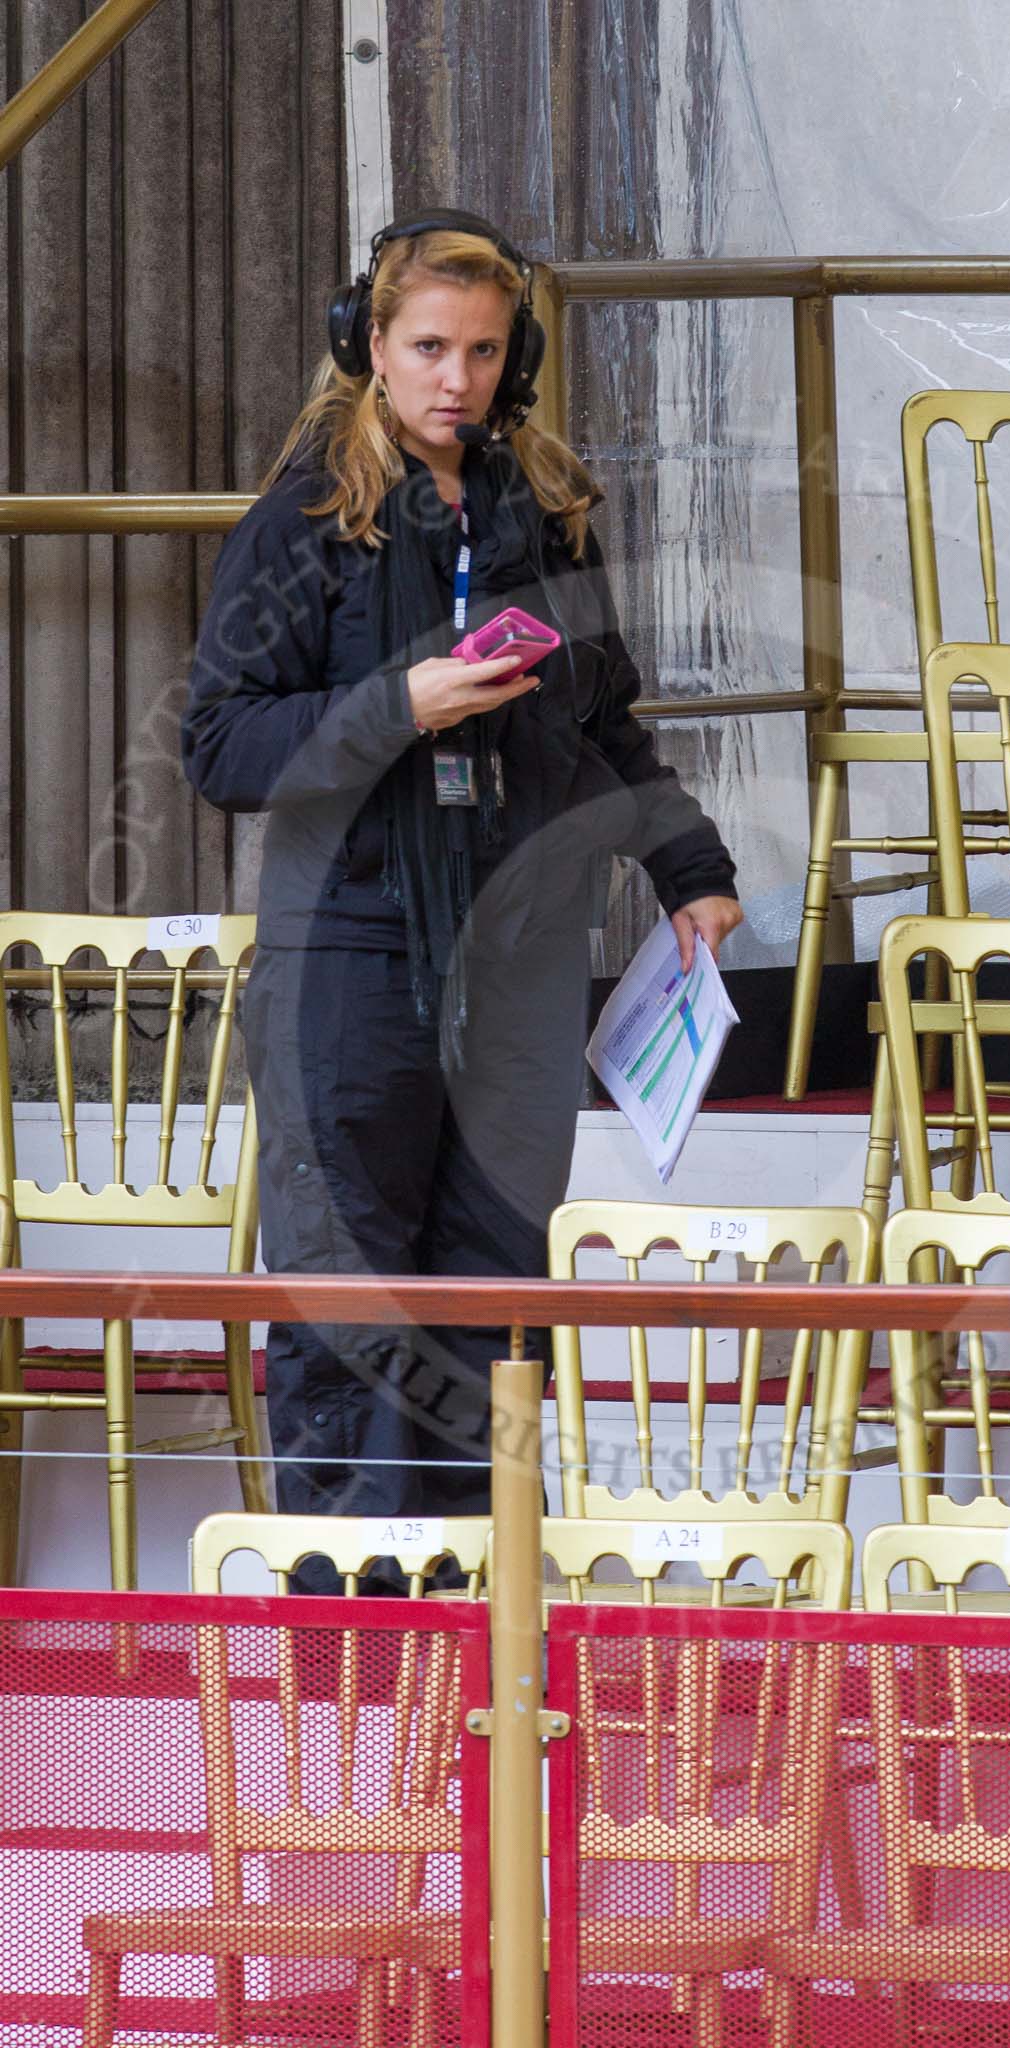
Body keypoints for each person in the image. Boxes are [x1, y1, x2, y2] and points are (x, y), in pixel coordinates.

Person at [182, 210, 742, 1560]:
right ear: (368, 347)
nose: (457, 378)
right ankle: (359, 1658)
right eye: (429, 345)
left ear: (516, 357)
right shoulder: (302, 526)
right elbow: (222, 746)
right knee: (349, 1299)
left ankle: (474, 1635)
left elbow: (601, 722)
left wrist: (688, 864)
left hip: (514, 959)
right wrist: (399, 703)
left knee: (490, 1298)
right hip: (352, 958)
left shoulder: (543, 520)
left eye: (484, 351)